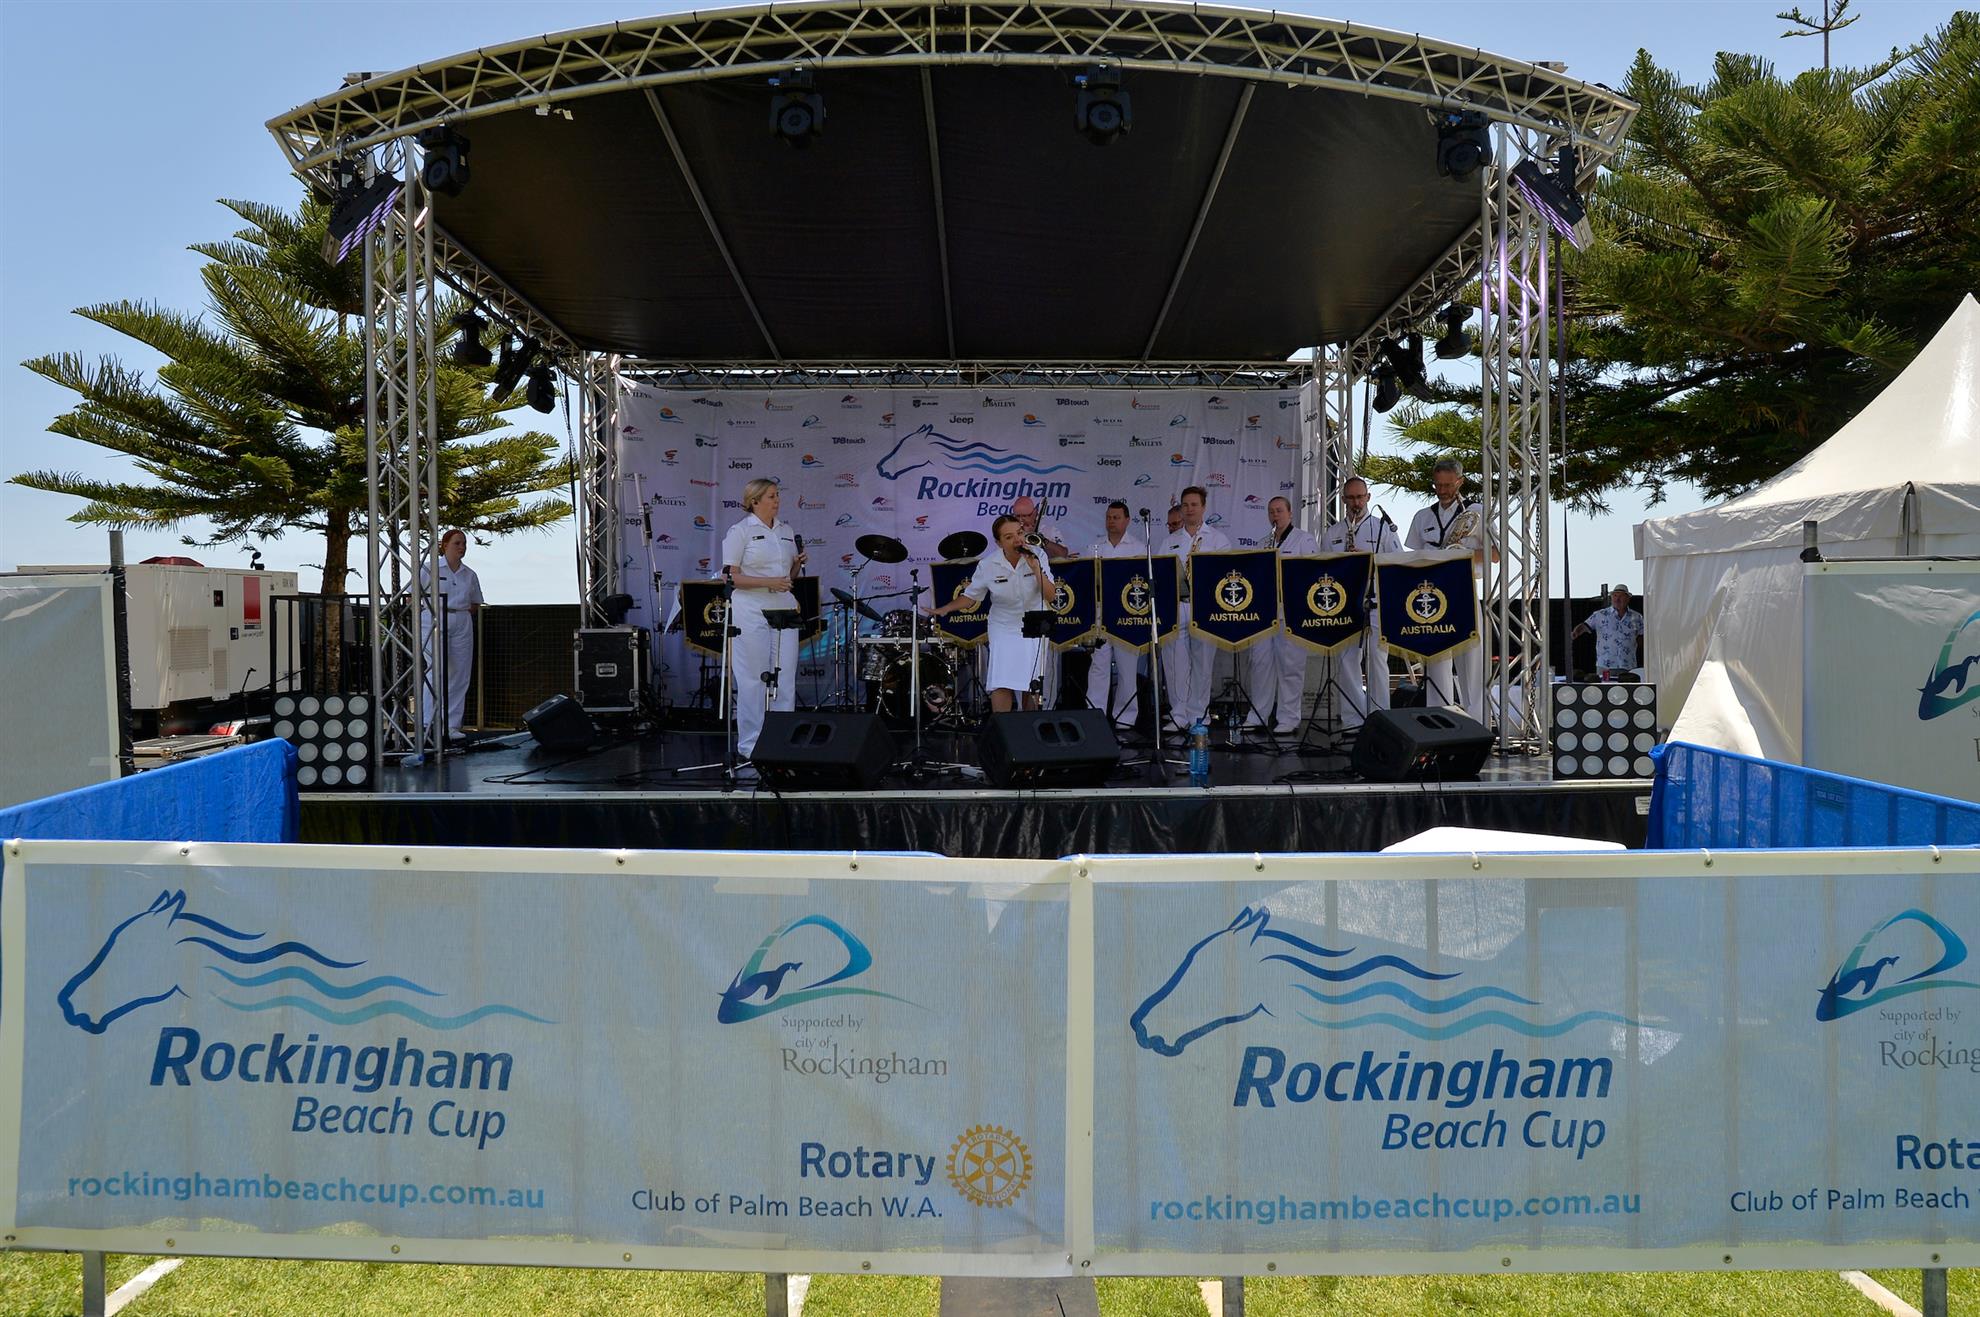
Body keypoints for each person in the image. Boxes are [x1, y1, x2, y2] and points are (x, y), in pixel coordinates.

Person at [926, 515, 1054, 712]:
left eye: (1019, 533)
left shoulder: (1037, 555)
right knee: (1002, 679)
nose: (1017, 540)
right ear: (999, 543)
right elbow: (971, 597)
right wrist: (945, 609)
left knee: (1031, 682)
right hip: (1003, 625)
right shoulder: (988, 564)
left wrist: (1035, 568)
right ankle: (1001, 725)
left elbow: (1051, 595)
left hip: (1034, 623)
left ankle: (1028, 726)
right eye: (1009, 537)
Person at [721, 477, 805, 761]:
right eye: (771, 496)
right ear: (754, 501)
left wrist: (796, 566)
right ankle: (752, 744)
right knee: (753, 678)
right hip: (751, 609)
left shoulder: (786, 530)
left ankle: (782, 741)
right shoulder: (740, 531)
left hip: (783, 608)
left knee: (785, 677)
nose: (777, 500)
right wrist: (768, 582)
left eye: (778, 495)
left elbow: (787, 579)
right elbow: (730, 576)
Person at [1404, 458, 1489, 721]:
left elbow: (1495, 555)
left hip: (1463, 591)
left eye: (1448, 485)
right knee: (1435, 660)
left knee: (1471, 660)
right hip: (1431, 594)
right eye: (1438, 485)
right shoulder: (1423, 516)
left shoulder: (1477, 511)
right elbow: (1413, 556)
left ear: (1460, 482)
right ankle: (1439, 721)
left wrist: (1459, 554)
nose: (1442, 490)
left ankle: (1477, 722)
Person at [1318, 476, 1402, 734]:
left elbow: (1397, 564)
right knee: (1347, 662)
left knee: (1377, 660)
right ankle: (1352, 721)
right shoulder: (1333, 533)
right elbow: (1323, 570)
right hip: (1344, 605)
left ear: (1368, 498)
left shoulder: (1382, 528)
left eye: (1360, 497)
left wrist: (1367, 560)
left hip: (1376, 602)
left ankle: (1380, 719)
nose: (1356, 503)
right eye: (1351, 498)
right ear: (1343, 500)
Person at [1242, 497, 1319, 732]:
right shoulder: (1263, 543)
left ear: (1290, 513)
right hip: (1265, 613)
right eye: (1271, 511)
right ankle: (1258, 715)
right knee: (1260, 665)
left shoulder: (1304, 539)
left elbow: (1312, 573)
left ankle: (1288, 719)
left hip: (1292, 611)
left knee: (1290, 667)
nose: (1275, 515)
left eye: (1279, 511)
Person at [1160, 486, 1230, 732]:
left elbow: (1224, 577)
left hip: (1205, 608)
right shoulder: (1169, 541)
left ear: (1203, 507)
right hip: (1176, 606)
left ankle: (1199, 714)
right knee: (1175, 664)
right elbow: (1160, 575)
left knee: (1202, 664)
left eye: (1194, 505)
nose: (1189, 509)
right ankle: (1178, 713)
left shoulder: (1218, 540)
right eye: (1185, 505)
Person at [1083, 500, 1148, 729]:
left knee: (1127, 668)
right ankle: (1095, 716)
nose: (1111, 521)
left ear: (1127, 520)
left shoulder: (1139, 548)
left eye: (1116, 517)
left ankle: (1125, 718)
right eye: (1109, 517)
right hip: (1100, 612)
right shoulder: (1094, 547)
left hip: (1127, 614)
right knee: (1098, 665)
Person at [419, 528, 483, 744]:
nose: (462, 547)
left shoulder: (469, 574)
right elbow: (412, 596)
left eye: (464, 543)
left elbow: (475, 602)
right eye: (457, 543)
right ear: (444, 545)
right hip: (435, 617)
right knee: (434, 669)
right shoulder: (429, 569)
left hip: (461, 619)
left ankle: (451, 724)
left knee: (460, 672)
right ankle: (428, 722)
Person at [1573, 586, 1644, 679]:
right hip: (1605, 666)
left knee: (1627, 687)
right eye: (1615, 596)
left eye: (1621, 596)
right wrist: (1576, 631)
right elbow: (1585, 625)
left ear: (1627, 598)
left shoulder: (1637, 617)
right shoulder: (1600, 615)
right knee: (1605, 687)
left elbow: (1642, 637)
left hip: (1628, 665)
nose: (1617, 599)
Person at [1010, 495, 1071, 559]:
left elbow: (1063, 554)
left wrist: (1044, 541)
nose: (1020, 520)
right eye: (1017, 516)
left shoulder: (1050, 530)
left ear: (1034, 513)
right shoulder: (1012, 532)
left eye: (1024, 516)